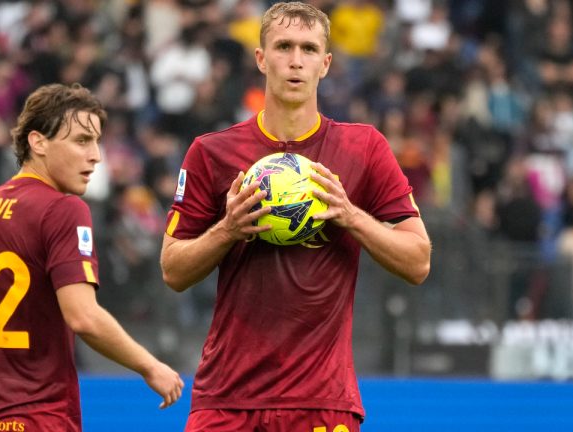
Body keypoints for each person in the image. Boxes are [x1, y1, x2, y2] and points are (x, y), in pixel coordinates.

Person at [160, 3, 431, 432]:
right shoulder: (210, 153)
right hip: (227, 399)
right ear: (261, 59)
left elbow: (418, 261)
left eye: (308, 49)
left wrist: (349, 215)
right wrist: (228, 229)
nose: (295, 60)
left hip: (322, 401)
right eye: (283, 46)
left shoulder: (364, 148)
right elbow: (173, 270)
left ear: (325, 64)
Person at [0, 83, 184, 431]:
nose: (96, 155)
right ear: (38, 142)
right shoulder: (64, 210)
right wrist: (150, 366)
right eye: (81, 140)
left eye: (96, 141)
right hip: (36, 419)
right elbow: (83, 316)